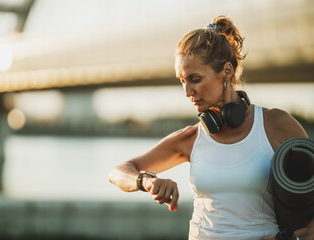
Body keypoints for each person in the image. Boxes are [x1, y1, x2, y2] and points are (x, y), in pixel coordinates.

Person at [108, 16, 313, 240]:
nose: (187, 92)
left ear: (226, 71)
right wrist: (147, 181)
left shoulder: (275, 124)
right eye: (182, 80)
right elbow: (118, 172)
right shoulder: (190, 138)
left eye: (194, 79)